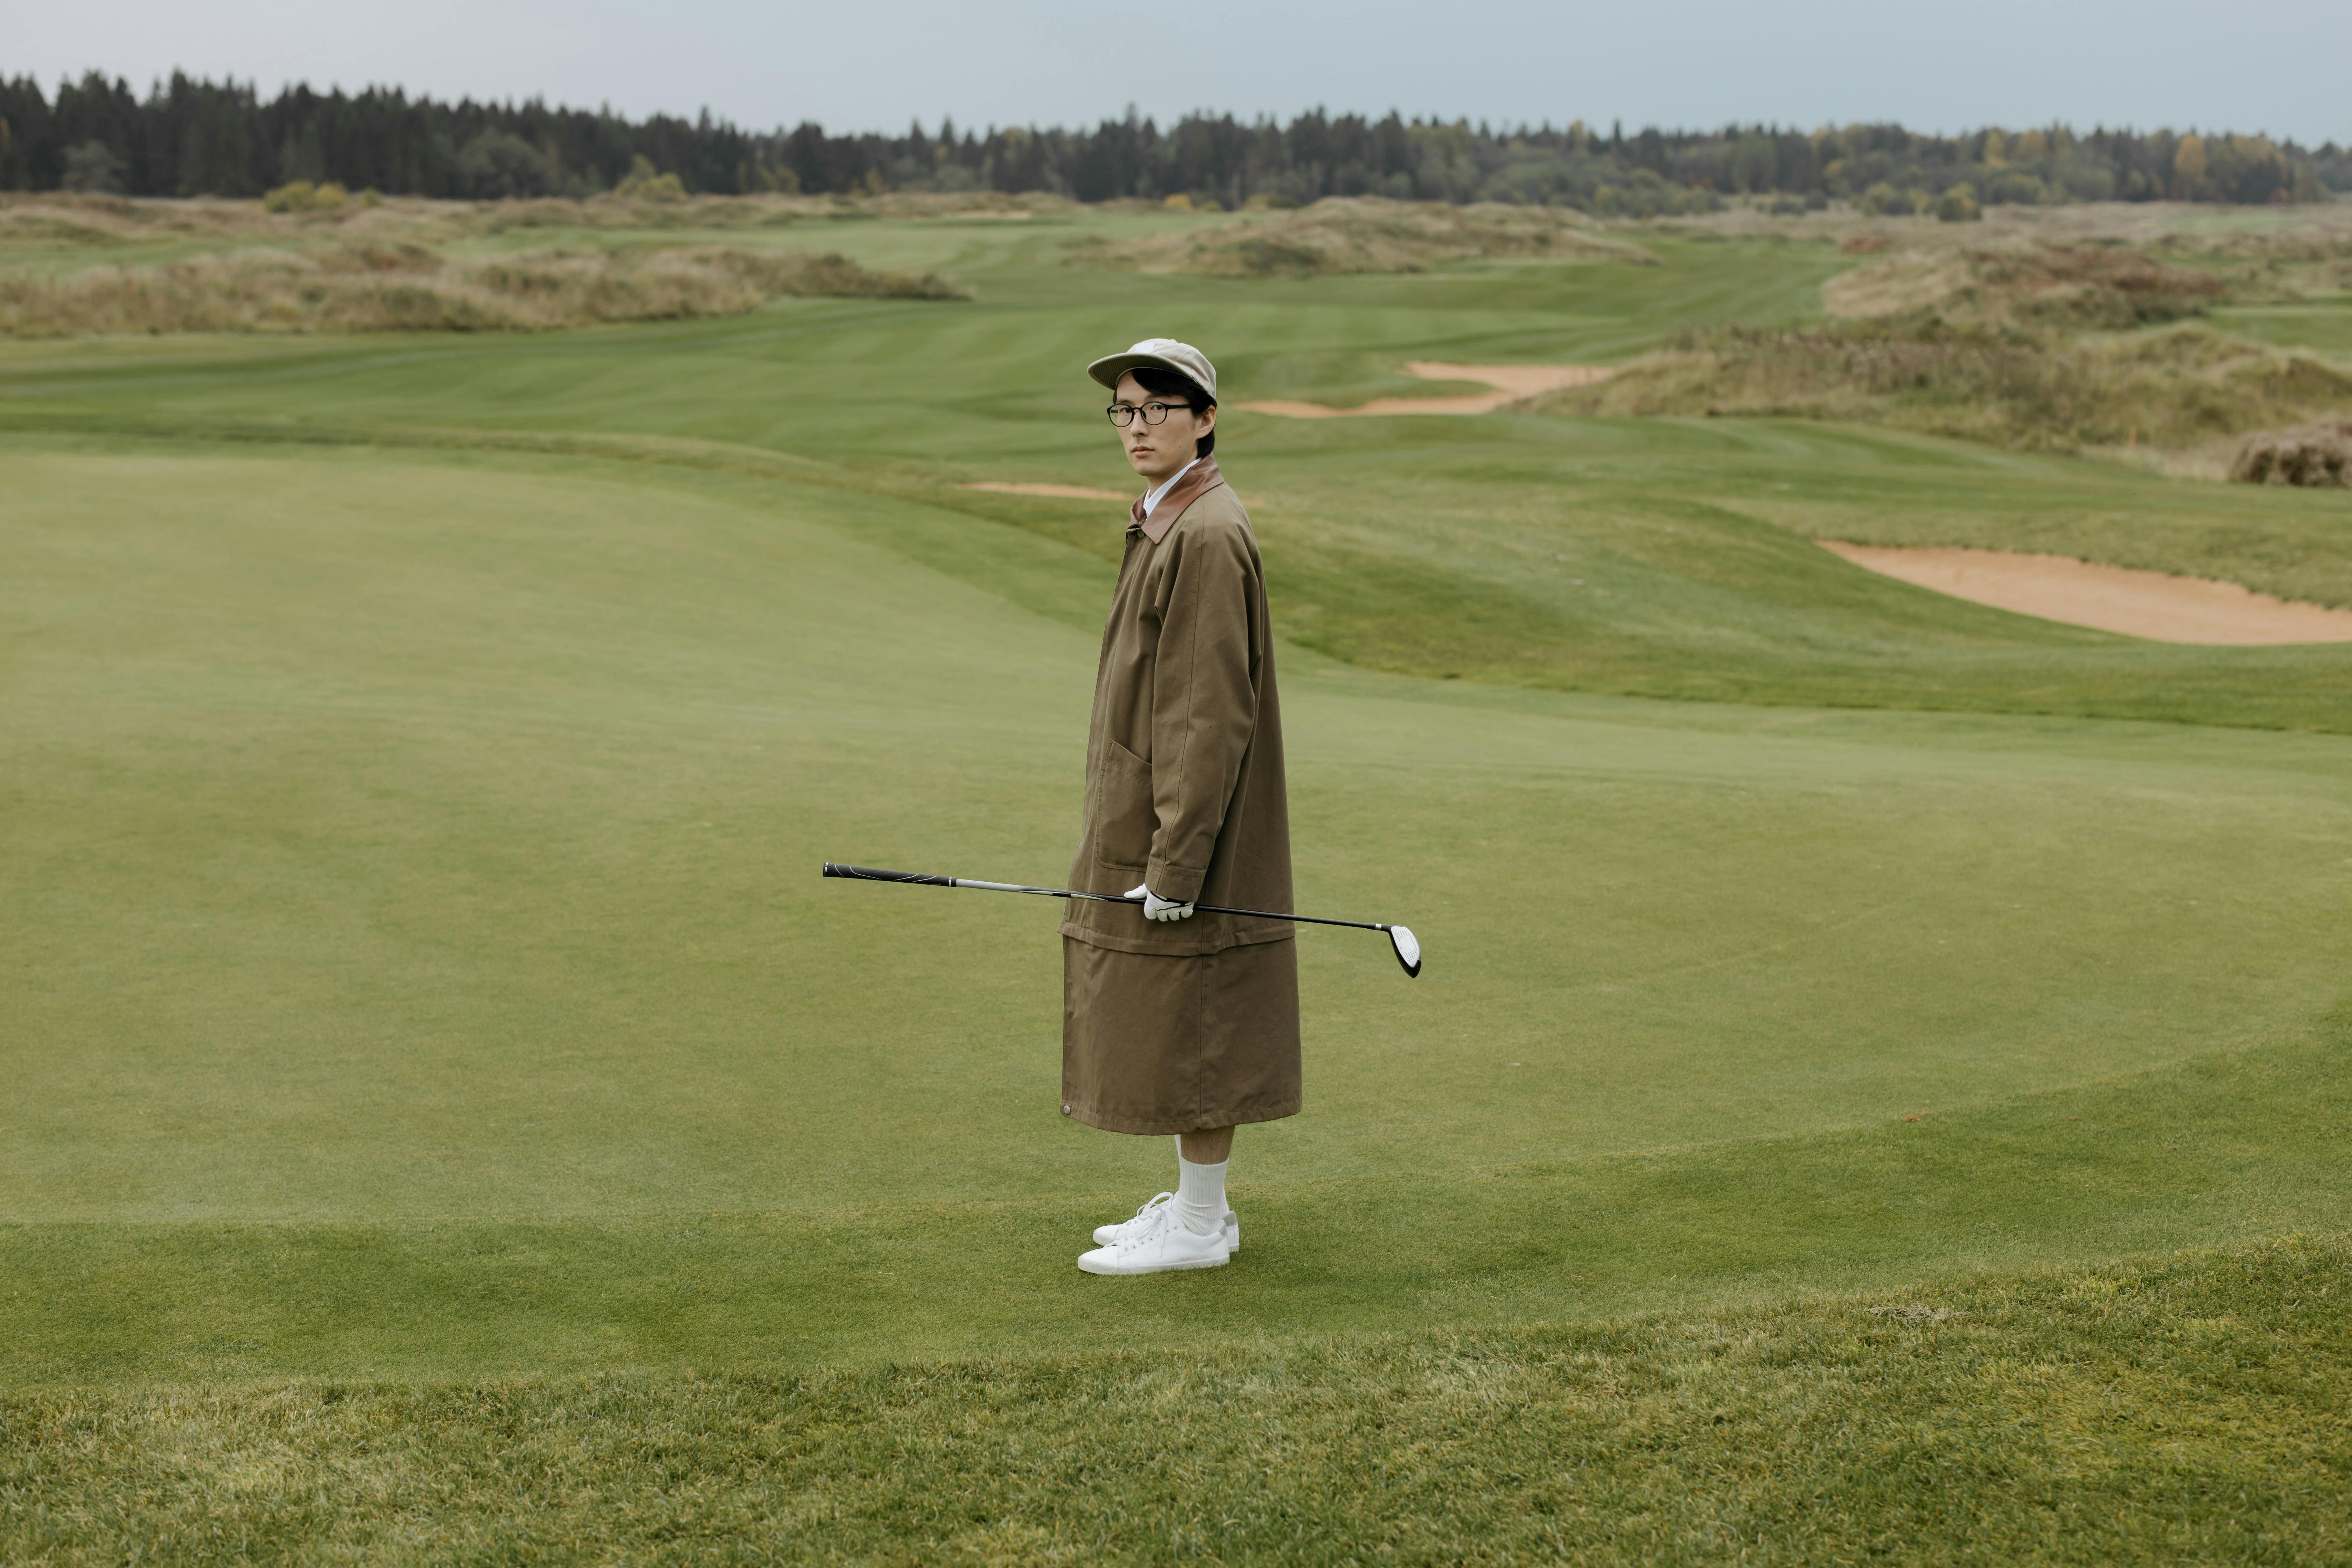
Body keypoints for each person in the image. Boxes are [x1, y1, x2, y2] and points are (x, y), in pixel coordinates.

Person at [1063, 338, 1300, 1276]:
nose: (1136, 427)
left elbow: (1206, 720)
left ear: (1204, 419)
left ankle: (1201, 1231)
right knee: (1180, 1005)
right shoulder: (1170, 517)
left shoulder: (1204, 534)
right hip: (1158, 818)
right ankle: (1196, 1205)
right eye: (1123, 410)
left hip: (1186, 834)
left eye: (1159, 408)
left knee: (1197, 1004)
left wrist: (1177, 865)